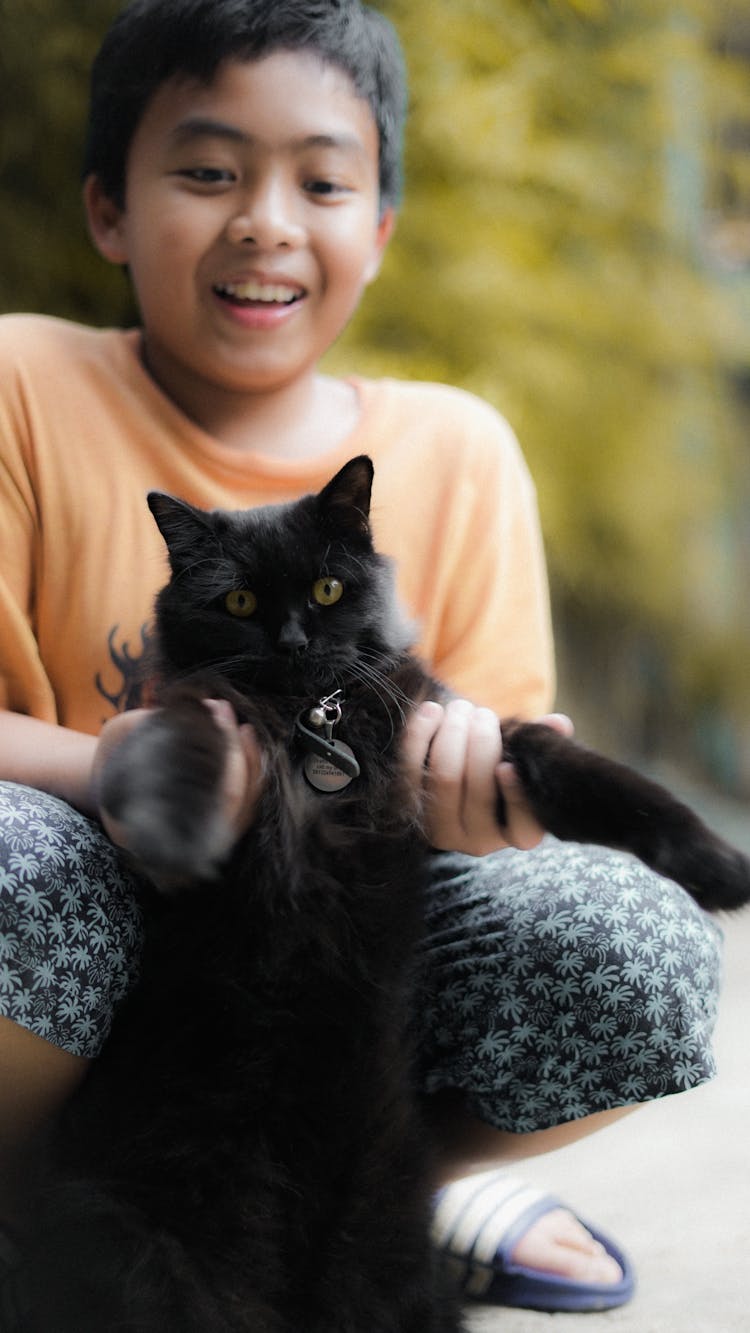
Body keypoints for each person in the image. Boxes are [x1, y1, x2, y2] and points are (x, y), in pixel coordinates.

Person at [0, 0, 723, 1315]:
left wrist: (479, 799)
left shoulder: (453, 450)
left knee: (633, 939)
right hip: (110, 948)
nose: (266, 221)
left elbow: (504, 817)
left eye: (320, 180)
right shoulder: (22, 384)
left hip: (345, 1005)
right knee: (11, 857)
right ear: (107, 208)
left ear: (379, 227)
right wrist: (119, 760)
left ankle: (413, 1188)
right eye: (209, 170)